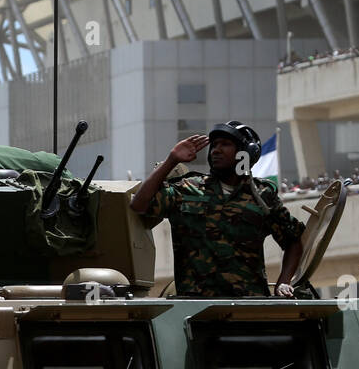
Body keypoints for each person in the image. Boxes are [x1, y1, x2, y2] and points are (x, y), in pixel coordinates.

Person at [129, 121, 304, 297]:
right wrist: (171, 160)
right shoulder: (188, 189)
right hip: (196, 307)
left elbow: (293, 240)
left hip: (248, 305)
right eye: (214, 145)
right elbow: (139, 205)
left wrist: (284, 281)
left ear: (246, 153)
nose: (215, 150)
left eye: (225, 144)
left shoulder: (262, 195)